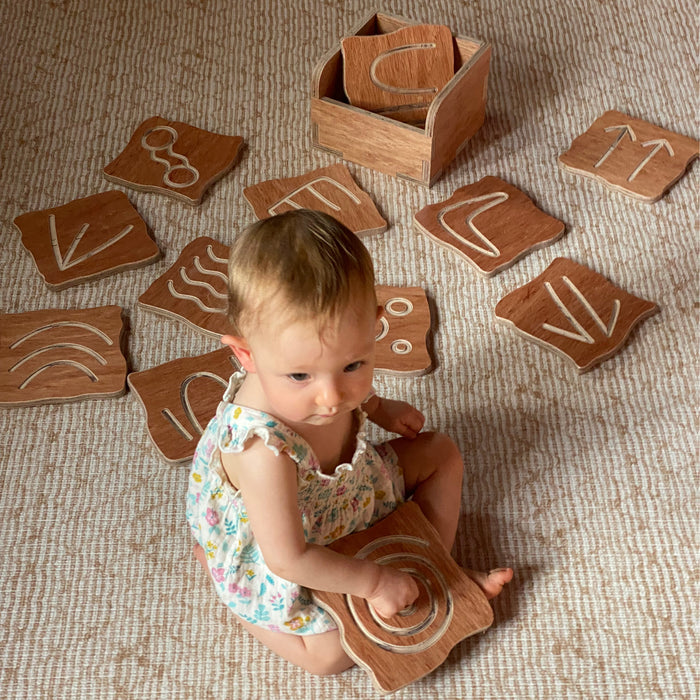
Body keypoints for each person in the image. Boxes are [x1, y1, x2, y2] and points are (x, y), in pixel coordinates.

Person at [186, 209, 512, 676]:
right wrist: (374, 581)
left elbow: (340, 383)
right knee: (331, 657)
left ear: (375, 326)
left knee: (441, 453)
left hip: (345, 492)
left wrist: (378, 408)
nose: (332, 397)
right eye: (299, 375)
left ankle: (432, 575)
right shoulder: (260, 450)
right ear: (246, 355)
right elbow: (290, 557)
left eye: (354, 365)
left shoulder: (328, 381)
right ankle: (224, 584)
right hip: (287, 542)